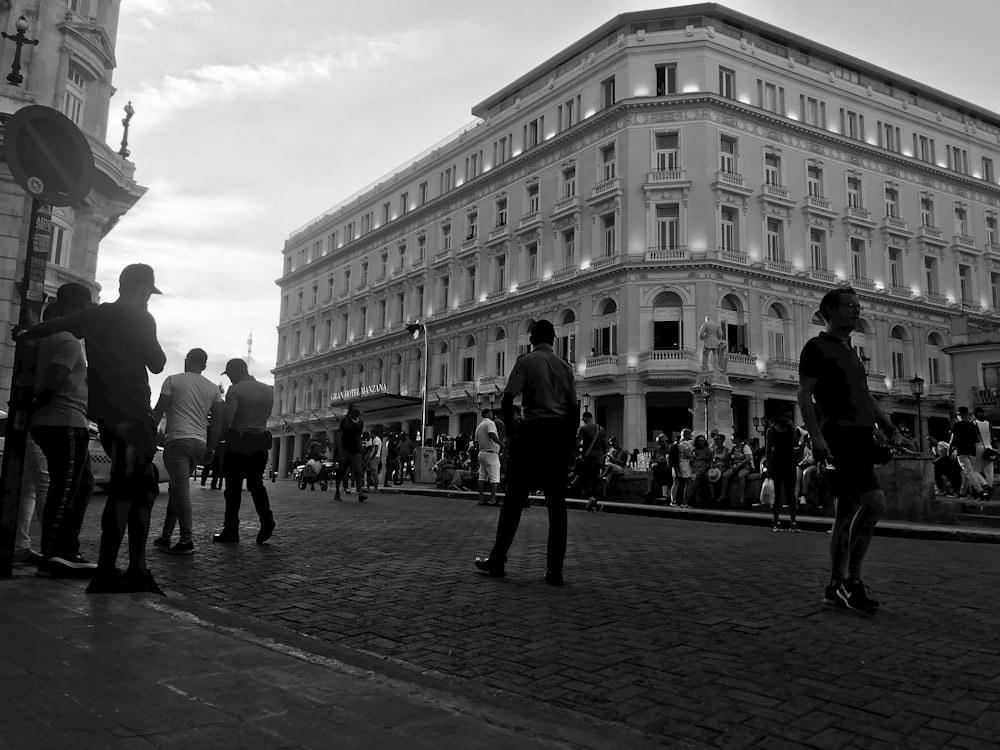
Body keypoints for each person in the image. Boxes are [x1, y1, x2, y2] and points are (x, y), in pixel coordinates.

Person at [19, 265, 167, 594]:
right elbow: (156, 362)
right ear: (143, 290)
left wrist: (26, 332)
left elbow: (56, 324)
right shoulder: (141, 318)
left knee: (134, 487)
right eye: (148, 294)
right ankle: (114, 572)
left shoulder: (96, 316)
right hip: (134, 411)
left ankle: (129, 569)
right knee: (133, 491)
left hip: (107, 416)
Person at [799, 286, 903, 614]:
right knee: (874, 504)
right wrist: (816, 438)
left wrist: (888, 426)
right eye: (848, 306)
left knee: (845, 513)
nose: (856, 311)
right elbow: (805, 395)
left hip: (861, 438)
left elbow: (865, 395)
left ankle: (836, 584)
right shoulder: (816, 347)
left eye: (858, 306)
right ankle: (850, 581)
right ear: (828, 311)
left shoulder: (851, 351)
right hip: (839, 438)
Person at [475, 320, 577, 586]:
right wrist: (568, 442)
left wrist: (512, 433)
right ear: (553, 340)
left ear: (532, 339)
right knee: (557, 505)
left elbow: (507, 398)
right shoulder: (565, 366)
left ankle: (498, 558)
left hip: (531, 433)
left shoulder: (525, 362)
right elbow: (574, 408)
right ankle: (555, 570)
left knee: (513, 501)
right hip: (557, 435)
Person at [25, 284, 95, 576]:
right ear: (78, 307)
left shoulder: (47, 338)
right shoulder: (66, 340)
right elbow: (55, 379)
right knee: (65, 487)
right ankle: (55, 553)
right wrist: (39, 406)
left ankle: (67, 548)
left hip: (64, 420)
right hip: (63, 420)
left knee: (83, 483)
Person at [151, 348, 224, 555]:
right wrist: (211, 446)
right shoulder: (212, 388)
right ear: (204, 365)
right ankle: (166, 536)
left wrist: (149, 434)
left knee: (181, 491)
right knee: (177, 490)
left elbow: (159, 409)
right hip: (198, 443)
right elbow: (217, 420)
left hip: (177, 441)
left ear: (186, 361)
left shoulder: (172, 380)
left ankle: (186, 541)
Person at [213, 358, 276, 544]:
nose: (230, 379)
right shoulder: (268, 390)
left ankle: (231, 529)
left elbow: (227, 420)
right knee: (256, 485)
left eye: (230, 374)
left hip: (240, 443)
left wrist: (219, 436)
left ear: (235, 372)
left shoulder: (236, 390)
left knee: (232, 489)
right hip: (260, 442)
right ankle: (267, 519)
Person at [766, 403, 799, 532]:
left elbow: (796, 443)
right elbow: (768, 450)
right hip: (777, 463)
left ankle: (793, 520)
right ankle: (776, 520)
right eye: (786, 417)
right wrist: (768, 466)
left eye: (790, 417)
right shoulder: (771, 431)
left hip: (789, 463)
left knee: (791, 494)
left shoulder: (791, 430)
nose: (788, 419)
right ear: (780, 417)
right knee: (777, 493)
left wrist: (792, 428)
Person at [950, 407, 990, 500]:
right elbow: (977, 439)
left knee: (968, 471)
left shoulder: (956, 425)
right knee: (968, 472)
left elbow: (953, 440)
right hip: (972, 451)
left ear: (959, 415)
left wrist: (950, 450)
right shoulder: (973, 425)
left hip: (962, 451)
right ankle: (962, 493)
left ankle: (981, 490)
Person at [575, 411, 607, 507]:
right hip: (599, 458)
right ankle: (594, 498)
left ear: (584, 418)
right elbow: (604, 445)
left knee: (582, 476)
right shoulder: (601, 429)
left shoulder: (582, 428)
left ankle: (589, 496)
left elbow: (577, 444)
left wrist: (582, 445)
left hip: (587, 458)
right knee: (594, 478)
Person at [475, 409, 502, 506]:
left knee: (482, 476)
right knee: (494, 477)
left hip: (482, 452)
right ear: (487, 414)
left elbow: (476, 440)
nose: (492, 414)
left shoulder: (479, 426)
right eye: (491, 413)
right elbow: (491, 434)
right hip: (491, 453)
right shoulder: (490, 423)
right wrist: (500, 443)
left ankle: (481, 498)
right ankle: (493, 499)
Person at [720, 433, 753, 506]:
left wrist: (740, 464)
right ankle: (723, 495)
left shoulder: (745, 447)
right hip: (735, 466)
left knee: (741, 476)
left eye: (733, 438)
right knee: (725, 476)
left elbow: (748, 458)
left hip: (745, 466)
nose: (732, 440)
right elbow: (727, 457)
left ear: (737, 439)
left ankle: (742, 496)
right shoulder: (734, 448)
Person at [973, 407, 995, 492]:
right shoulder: (988, 423)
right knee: (989, 472)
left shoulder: (974, 423)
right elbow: (992, 437)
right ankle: (989, 488)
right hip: (989, 448)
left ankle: (984, 486)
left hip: (978, 448)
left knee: (974, 470)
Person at [646, 434, 672, 504]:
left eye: (665, 441)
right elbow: (652, 460)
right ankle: (649, 491)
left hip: (667, 468)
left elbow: (670, 461)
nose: (663, 443)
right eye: (661, 441)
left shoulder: (670, 449)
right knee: (650, 471)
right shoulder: (656, 449)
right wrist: (652, 464)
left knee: (665, 475)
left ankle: (665, 496)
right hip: (658, 466)